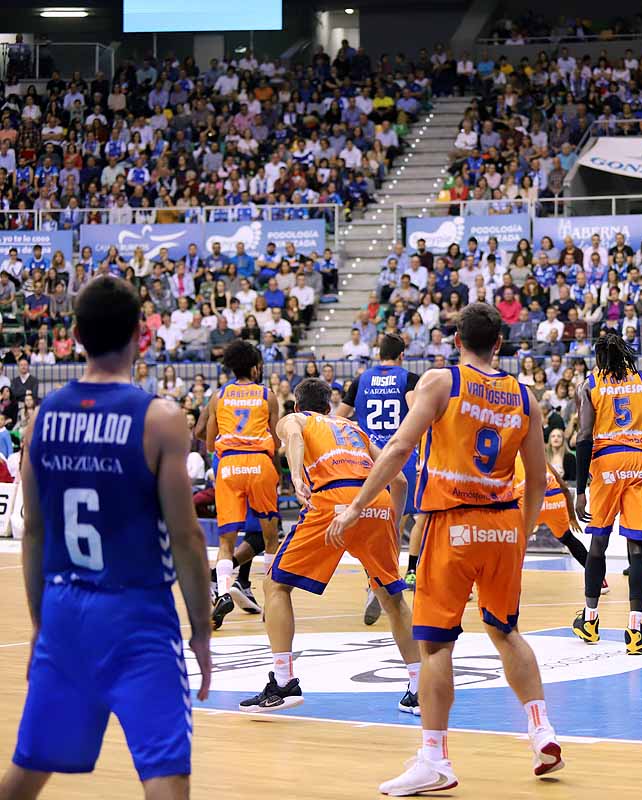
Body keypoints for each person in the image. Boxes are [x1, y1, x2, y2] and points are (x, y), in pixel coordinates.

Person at [327, 303, 564, 793]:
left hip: (450, 525)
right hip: (502, 526)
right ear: (499, 343)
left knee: (436, 646)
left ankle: (434, 759)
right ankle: (541, 729)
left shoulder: (441, 382)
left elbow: (397, 450)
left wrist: (354, 508)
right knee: (506, 631)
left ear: (457, 341)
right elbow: (538, 480)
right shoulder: (526, 397)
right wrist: (518, 534)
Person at [0, 276, 213, 799]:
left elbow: (34, 532)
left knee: (26, 774)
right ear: (142, 335)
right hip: (136, 613)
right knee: (165, 778)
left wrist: (38, 624)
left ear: (74, 334)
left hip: (65, 611)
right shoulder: (160, 419)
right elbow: (186, 539)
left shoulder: (43, 418)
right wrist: (202, 631)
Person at [243, 379, 422, 717]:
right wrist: (389, 523)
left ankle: (283, 683)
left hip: (333, 499)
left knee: (275, 584)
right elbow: (398, 480)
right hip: (377, 500)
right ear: (329, 406)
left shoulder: (297, 420)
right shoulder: (353, 428)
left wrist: (295, 476)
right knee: (392, 599)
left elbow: (294, 437)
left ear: (298, 406)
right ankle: (418, 687)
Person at [572, 329, 642, 655]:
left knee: (598, 543)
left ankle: (590, 621)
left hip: (606, 464)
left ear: (600, 357)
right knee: (638, 552)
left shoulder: (590, 385)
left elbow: (585, 437)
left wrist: (580, 490)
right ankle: (634, 632)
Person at [335, 332, 423, 625]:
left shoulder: (360, 380)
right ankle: (383, 582)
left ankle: (373, 580)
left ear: (378, 353)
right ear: (401, 355)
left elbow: (339, 418)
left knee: (373, 523)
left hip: (368, 458)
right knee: (395, 525)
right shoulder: (407, 378)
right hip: (401, 458)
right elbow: (416, 410)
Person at [206, 340, 280, 629]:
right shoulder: (267, 395)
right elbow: (277, 438)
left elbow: (211, 441)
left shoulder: (218, 396)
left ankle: (223, 591)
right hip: (259, 463)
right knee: (271, 537)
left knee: (226, 541)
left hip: (229, 466)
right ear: (254, 366)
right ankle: (272, 600)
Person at [514, 455, 605, 593]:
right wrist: (572, 516)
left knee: (513, 542)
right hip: (555, 500)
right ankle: (600, 580)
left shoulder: (507, 459)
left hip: (531, 500)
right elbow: (564, 487)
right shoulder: (540, 458)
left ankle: (509, 583)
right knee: (568, 539)